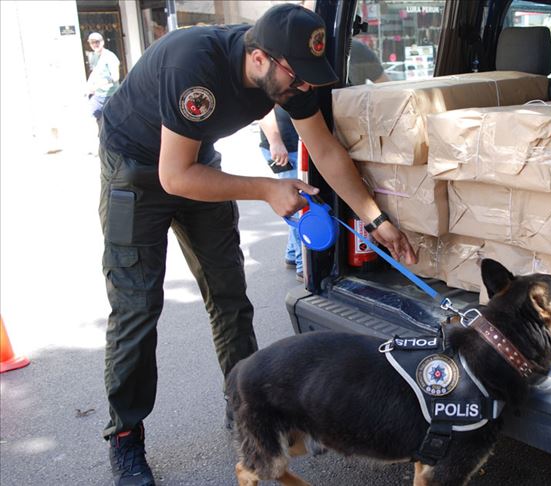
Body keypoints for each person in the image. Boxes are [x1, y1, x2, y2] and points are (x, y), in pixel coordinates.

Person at [96, 5, 417, 485]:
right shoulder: (195, 66)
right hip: (138, 172)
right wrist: (268, 188)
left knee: (229, 299)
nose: (303, 89)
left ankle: (246, 414)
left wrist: (376, 219)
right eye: (297, 77)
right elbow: (173, 175)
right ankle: (126, 437)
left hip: (197, 162)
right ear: (260, 57)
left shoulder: (291, 75)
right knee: (137, 309)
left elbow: (325, 150)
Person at [258, 105, 304, 278]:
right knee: (297, 205)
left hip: (289, 144)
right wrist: (275, 141)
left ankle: (292, 255)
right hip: (285, 147)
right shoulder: (275, 79)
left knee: (298, 204)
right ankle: (303, 265)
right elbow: (263, 107)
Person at [84, 32, 120, 130]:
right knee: (95, 117)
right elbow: (94, 72)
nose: (95, 44)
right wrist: (88, 86)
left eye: (97, 42)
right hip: (98, 96)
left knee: (112, 123)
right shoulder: (94, 56)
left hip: (110, 95)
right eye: (92, 42)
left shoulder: (110, 57)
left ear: (103, 42)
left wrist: (99, 85)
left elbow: (115, 77)